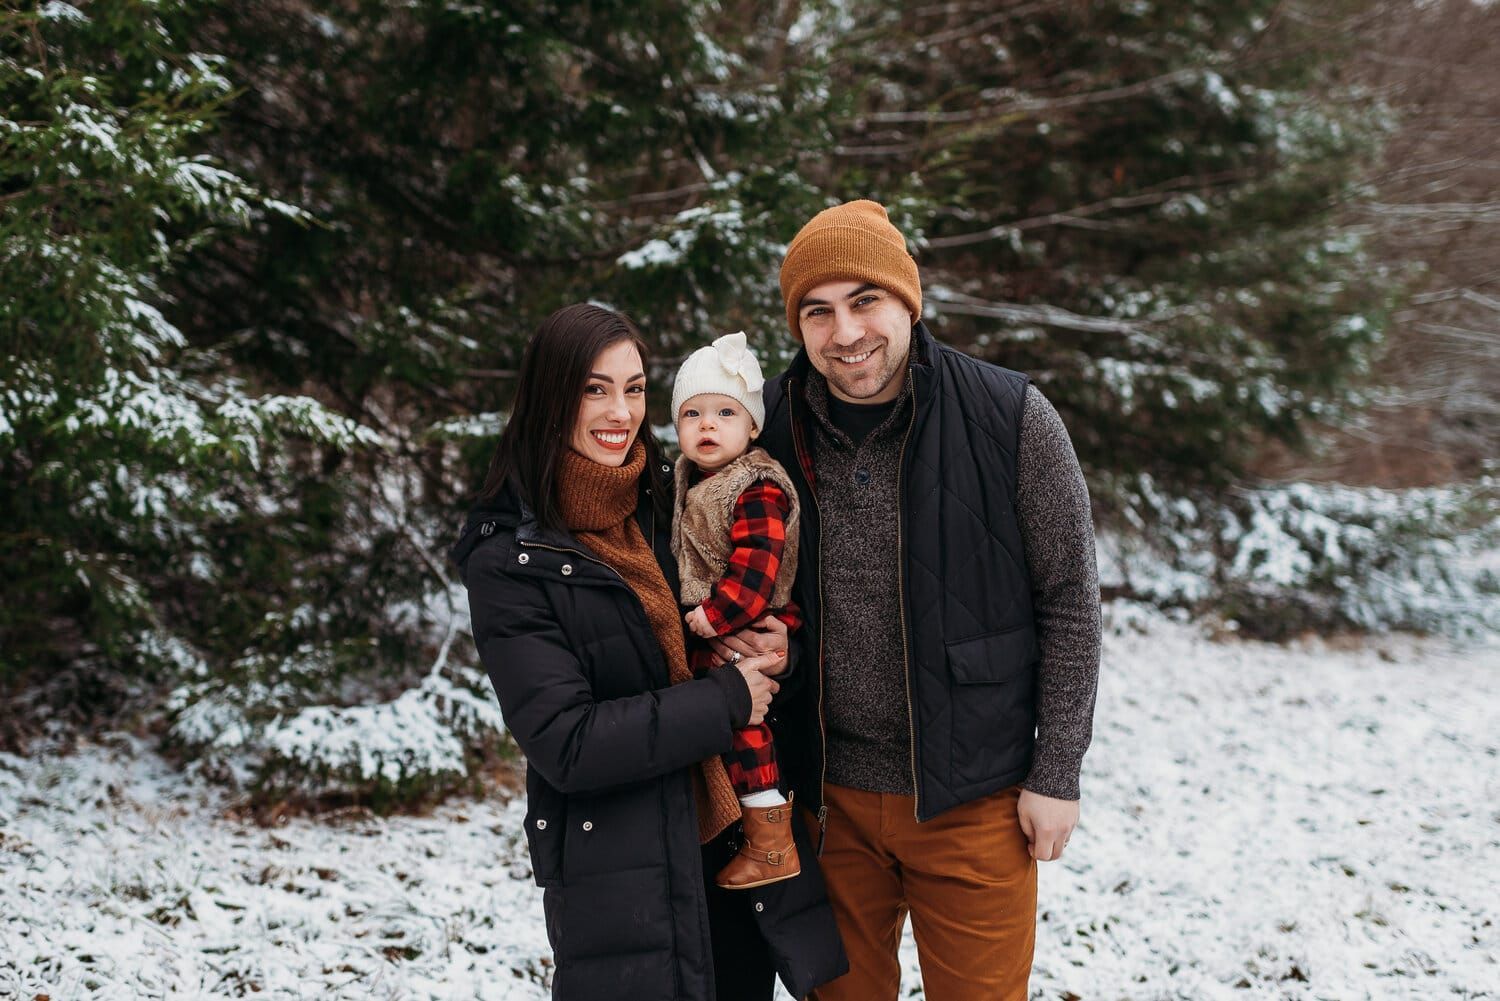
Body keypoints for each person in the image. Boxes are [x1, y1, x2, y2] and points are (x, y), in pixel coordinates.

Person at [756, 200, 1103, 1001]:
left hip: (974, 797)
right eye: (819, 310)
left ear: (908, 300)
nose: (845, 332)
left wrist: (1058, 770)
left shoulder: (1012, 415)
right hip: (826, 800)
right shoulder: (767, 427)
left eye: (864, 300)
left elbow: (1070, 601)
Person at [449, 304, 847, 1001]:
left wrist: (783, 650)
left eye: (634, 388)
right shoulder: (509, 558)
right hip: (624, 874)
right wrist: (726, 699)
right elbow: (565, 741)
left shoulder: (669, 498)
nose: (620, 411)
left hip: (729, 845)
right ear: (550, 396)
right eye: (594, 388)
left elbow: (744, 614)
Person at [670, 331, 804, 890]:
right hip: (719, 626)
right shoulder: (689, 480)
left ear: (752, 426)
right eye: (692, 414)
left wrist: (714, 618)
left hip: (744, 620)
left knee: (747, 727)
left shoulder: (757, 487)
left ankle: (772, 844)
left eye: (726, 412)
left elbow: (757, 569)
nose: (707, 425)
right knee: (722, 726)